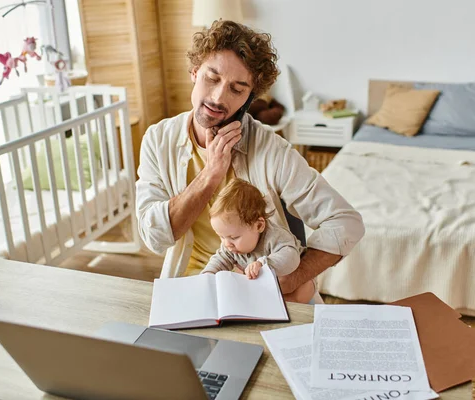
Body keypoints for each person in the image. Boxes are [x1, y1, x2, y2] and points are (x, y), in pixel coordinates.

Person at [135, 19, 364, 304]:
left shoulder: (271, 149)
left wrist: (293, 278)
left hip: (262, 291)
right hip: (194, 285)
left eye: (237, 88)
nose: (218, 97)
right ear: (194, 72)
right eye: (212, 77)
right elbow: (154, 237)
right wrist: (211, 175)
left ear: (248, 98)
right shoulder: (158, 140)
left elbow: (346, 223)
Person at [201, 179, 315, 303]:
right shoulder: (230, 245)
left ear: (259, 226)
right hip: (264, 287)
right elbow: (220, 259)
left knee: (301, 291)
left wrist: (264, 264)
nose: (227, 243)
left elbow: (291, 258)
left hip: (295, 278)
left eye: (234, 238)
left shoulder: (276, 236)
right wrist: (208, 274)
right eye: (221, 237)